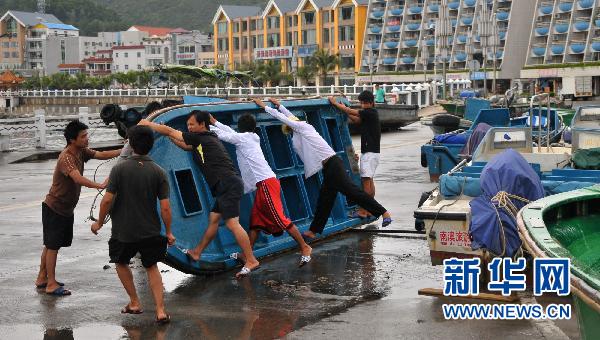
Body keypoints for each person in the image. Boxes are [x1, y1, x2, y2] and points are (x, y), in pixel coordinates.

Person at [138, 111, 260, 278]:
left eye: (192, 124)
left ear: (202, 124)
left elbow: (172, 132)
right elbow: (185, 145)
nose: (189, 127)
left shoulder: (201, 137)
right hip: (226, 185)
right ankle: (197, 252)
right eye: (187, 125)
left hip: (227, 185)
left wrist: (148, 124)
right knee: (214, 220)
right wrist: (168, 137)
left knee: (232, 224)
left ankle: (251, 259)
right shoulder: (204, 139)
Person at [254, 98, 392, 241]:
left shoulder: (303, 127)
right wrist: (280, 105)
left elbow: (284, 118)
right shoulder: (298, 132)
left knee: (352, 191)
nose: (289, 127)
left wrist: (265, 107)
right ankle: (313, 231)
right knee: (325, 200)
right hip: (328, 167)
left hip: (333, 164)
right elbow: (288, 117)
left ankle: (383, 212)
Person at [91, 125, 175, 324]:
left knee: (120, 262)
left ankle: (135, 302)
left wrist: (100, 223)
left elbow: (106, 200)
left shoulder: (119, 169)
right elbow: (165, 208)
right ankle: (161, 310)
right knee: (151, 266)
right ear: (151, 145)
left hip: (123, 232)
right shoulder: (159, 172)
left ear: (130, 144)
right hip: (151, 230)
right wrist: (169, 232)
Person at [208, 113, 312, 267]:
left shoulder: (243, 139)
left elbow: (226, 135)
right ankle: (246, 254)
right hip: (265, 183)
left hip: (266, 184)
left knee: (280, 218)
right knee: (256, 223)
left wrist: (207, 128)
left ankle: (305, 247)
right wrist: (215, 121)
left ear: (241, 128)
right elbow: (231, 133)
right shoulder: (249, 138)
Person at [36, 120, 122, 296]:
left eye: (86, 135)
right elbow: (77, 178)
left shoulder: (81, 151)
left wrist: (124, 150)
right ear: (72, 139)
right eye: (83, 136)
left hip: (65, 208)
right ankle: (51, 284)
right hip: (55, 207)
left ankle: (42, 278)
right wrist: (98, 185)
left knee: (51, 245)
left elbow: (101, 154)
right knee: (52, 246)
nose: (86, 139)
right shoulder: (66, 157)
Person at [329, 91, 381, 219]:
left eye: (363, 103)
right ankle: (369, 209)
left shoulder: (370, 112)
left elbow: (352, 111)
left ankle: (363, 210)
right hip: (373, 153)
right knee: (370, 181)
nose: (362, 105)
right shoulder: (370, 115)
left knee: (366, 182)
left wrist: (335, 103)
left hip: (369, 153)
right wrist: (345, 111)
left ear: (370, 103)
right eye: (361, 103)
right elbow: (356, 119)